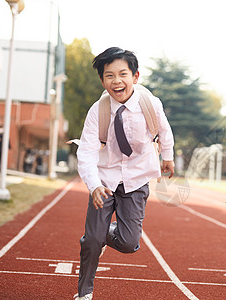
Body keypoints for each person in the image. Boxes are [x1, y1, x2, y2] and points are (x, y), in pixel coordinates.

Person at [74, 47, 175, 300]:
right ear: (102, 80)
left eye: (123, 74)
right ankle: (84, 292)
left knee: (130, 243)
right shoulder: (98, 111)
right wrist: (94, 185)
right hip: (105, 180)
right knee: (91, 241)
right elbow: (85, 152)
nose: (116, 81)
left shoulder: (150, 104)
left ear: (135, 76)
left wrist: (168, 158)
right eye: (109, 76)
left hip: (137, 178)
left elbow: (165, 131)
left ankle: (103, 234)